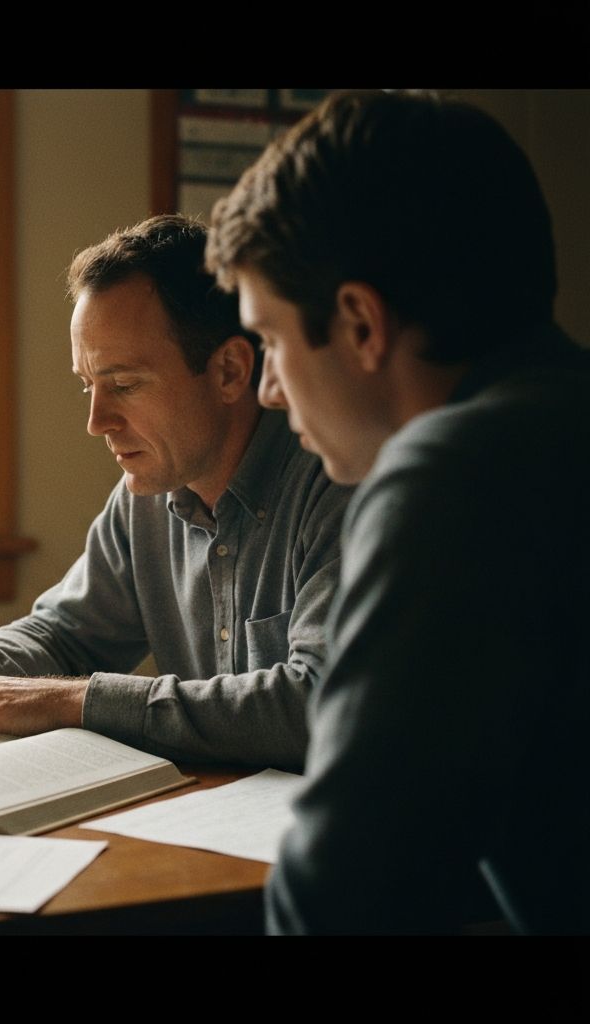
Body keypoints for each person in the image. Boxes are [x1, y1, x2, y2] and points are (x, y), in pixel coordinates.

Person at [207, 90, 590, 933]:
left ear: (358, 322)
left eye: (269, 340)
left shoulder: (450, 478)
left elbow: (340, 901)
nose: (270, 391)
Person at [0, 215, 351, 769]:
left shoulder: (338, 483)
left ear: (230, 371)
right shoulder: (147, 496)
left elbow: (317, 702)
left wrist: (75, 700)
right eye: (88, 385)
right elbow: (67, 636)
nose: (96, 420)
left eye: (125, 385)